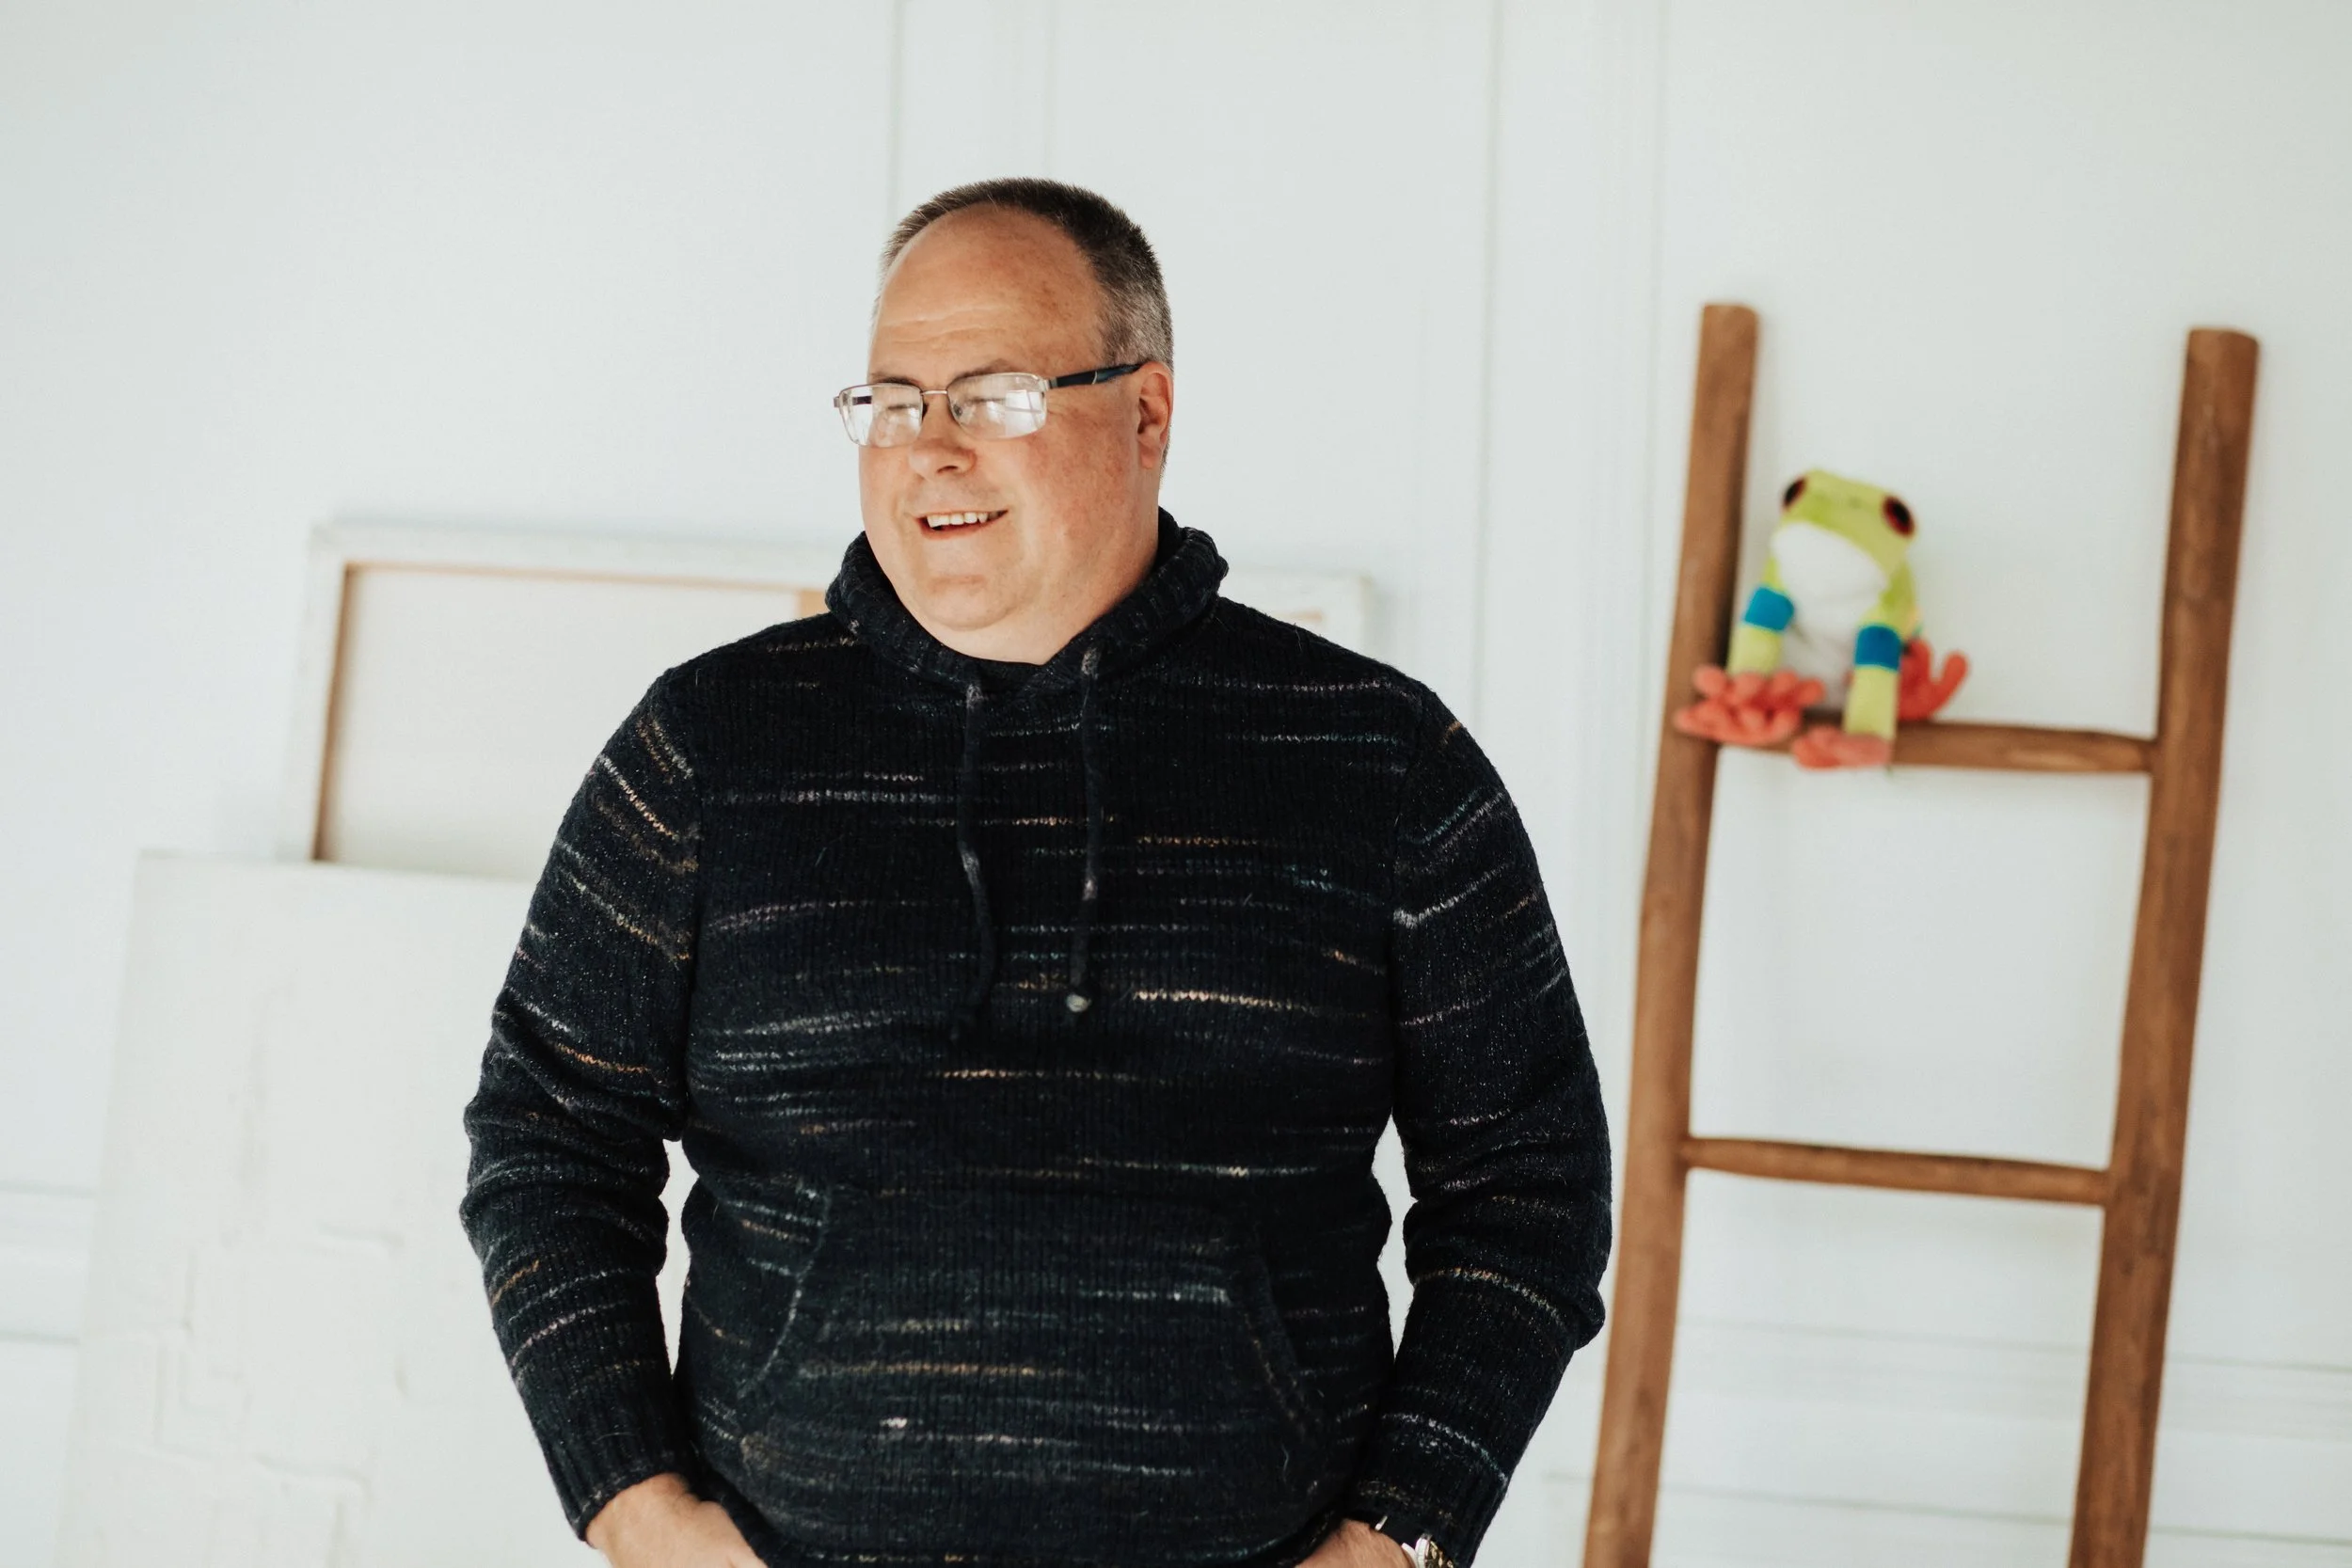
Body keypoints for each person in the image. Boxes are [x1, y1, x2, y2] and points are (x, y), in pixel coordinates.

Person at [459, 177, 1613, 1568]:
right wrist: (637, 1510)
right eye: (892, 400)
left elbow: (1527, 1186)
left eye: (993, 395)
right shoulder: (708, 747)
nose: (928, 449)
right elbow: (546, 1137)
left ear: (1147, 414)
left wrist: (1400, 1538)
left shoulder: (1379, 759)